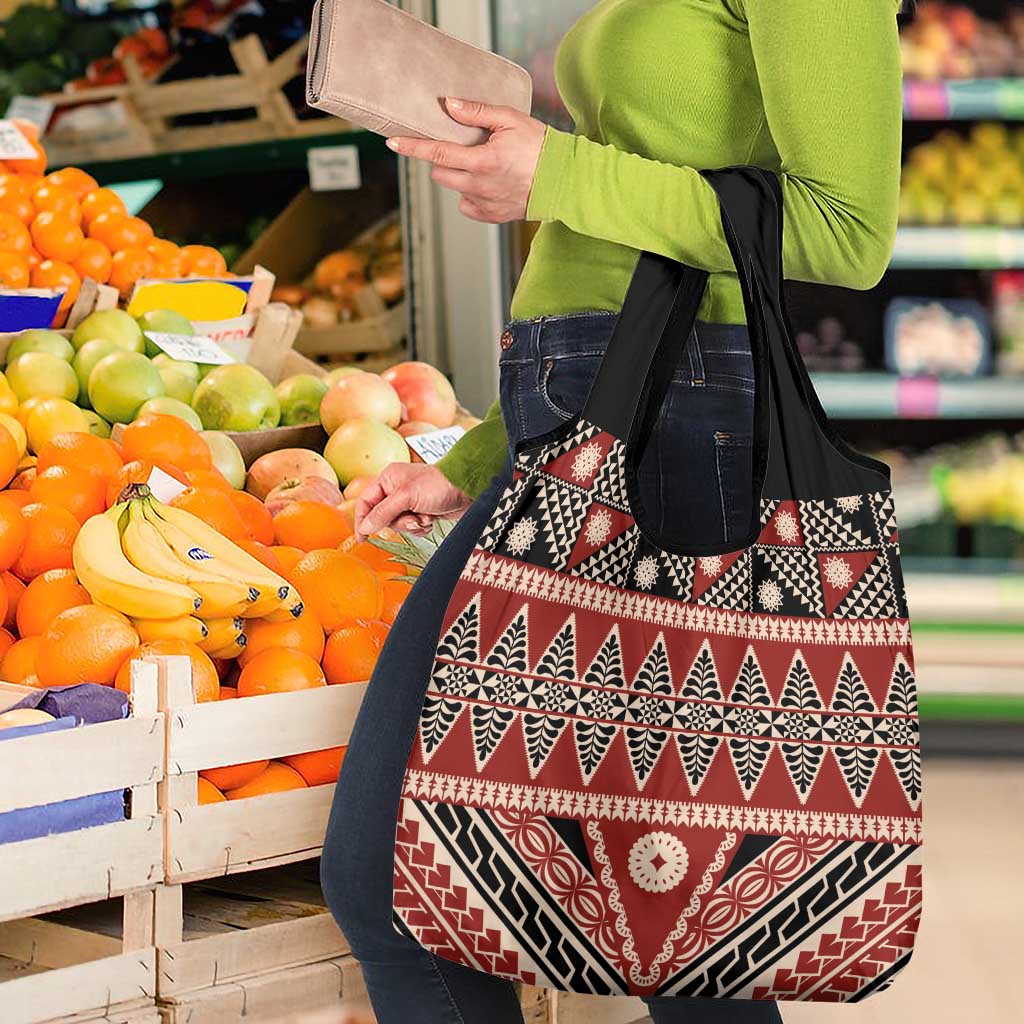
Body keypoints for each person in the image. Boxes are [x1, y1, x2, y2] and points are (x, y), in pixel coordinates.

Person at [321, 2, 904, 1021]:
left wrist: (557, 172)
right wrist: (479, 456)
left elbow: (847, 230)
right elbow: (625, 237)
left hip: (681, 433)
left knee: (669, 920)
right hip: (582, 429)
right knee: (639, 915)